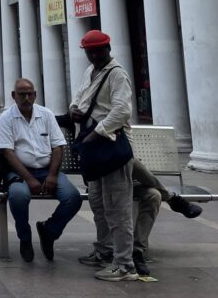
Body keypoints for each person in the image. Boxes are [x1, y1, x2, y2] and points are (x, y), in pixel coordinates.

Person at [70, 30, 137, 282]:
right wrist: (74, 110)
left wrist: (95, 133)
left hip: (111, 147)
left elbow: (121, 111)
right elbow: (80, 98)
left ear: (108, 48)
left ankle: (124, 264)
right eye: (91, 51)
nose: (95, 55)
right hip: (95, 149)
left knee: (118, 209)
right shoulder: (91, 71)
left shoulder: (117, 74)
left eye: (100, 50)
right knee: (98, 203)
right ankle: (104, 250)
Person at [0, 78, 82, 262]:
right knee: (19, 196)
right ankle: (25, 238)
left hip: (47, 170)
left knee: (73, 198)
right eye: (21, 94)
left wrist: (51, 175)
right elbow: (8, 152)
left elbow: (58, 147)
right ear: (14, 96)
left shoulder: (46, 114)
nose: (26, 98)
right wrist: (28, 179)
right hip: (19, 172)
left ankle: (49, 231)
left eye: (30, 94)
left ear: (35, 95)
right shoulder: (6, 117)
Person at [129, 158, 203, 276]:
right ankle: (172, 198)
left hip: (129, 179)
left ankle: (136, 251)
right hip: (106, 179)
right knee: (130, 161)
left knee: (154, 195)